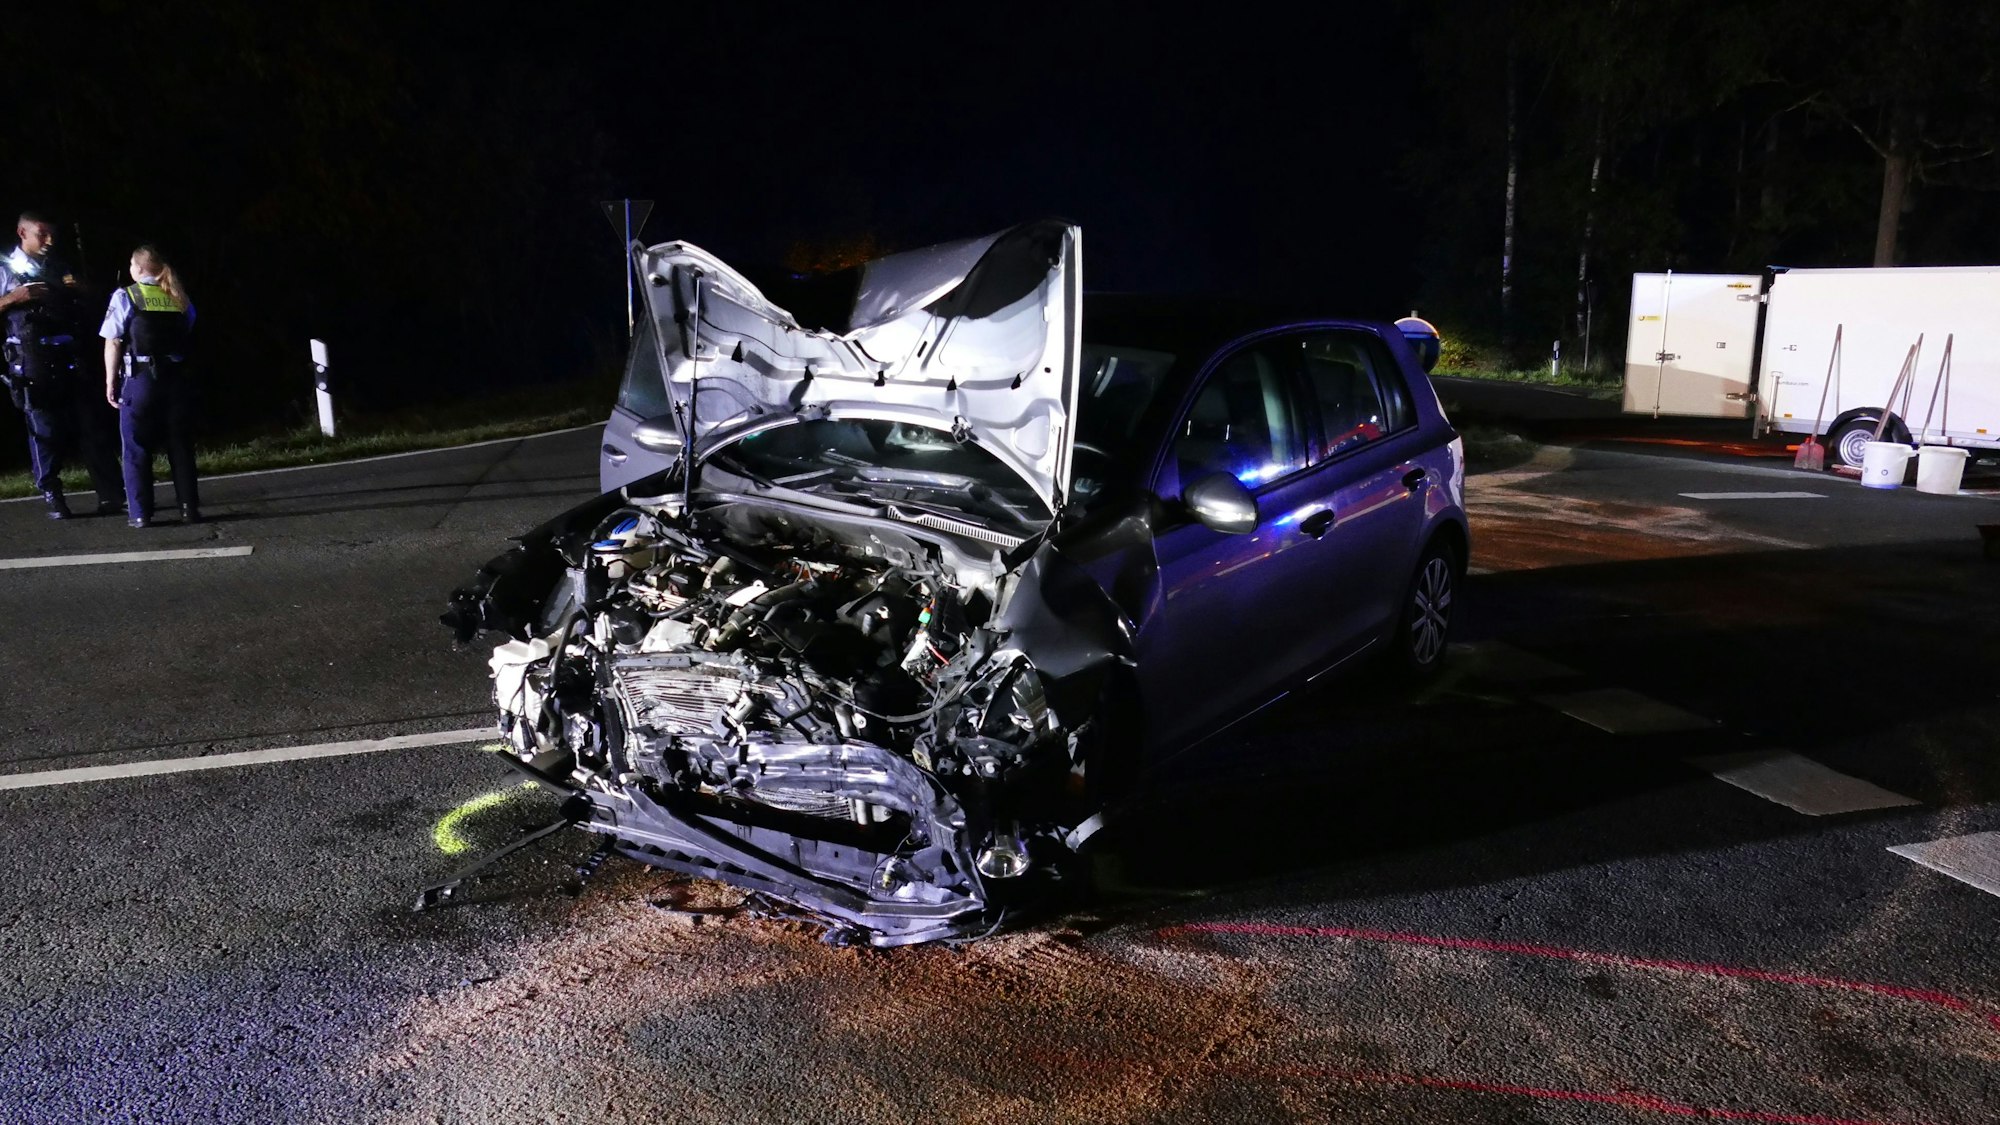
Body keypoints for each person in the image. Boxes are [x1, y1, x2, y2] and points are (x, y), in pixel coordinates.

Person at [1, 211, 124, 519]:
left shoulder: (59, 266)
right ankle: (52, 495)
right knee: (45, 433)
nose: (49, 240)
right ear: (22, 233)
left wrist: (82, 290)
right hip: (33, 364)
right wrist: (14, 297)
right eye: (42, 234)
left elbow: (87, 304)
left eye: (51, 234)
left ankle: (112, 495)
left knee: (92, 428)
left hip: (71, 359)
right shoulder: (4, 269)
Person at [101, 244, 200, 527]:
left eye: (131, 264)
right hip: (176, 380)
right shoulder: (178, 296)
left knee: (136, 447)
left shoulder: (126, 295)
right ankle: (188, 509)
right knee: (180, 446)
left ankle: (141, 513)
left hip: (141, 380)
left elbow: (113, 340)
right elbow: (188, 330)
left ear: (139, 268)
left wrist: (110, 381)